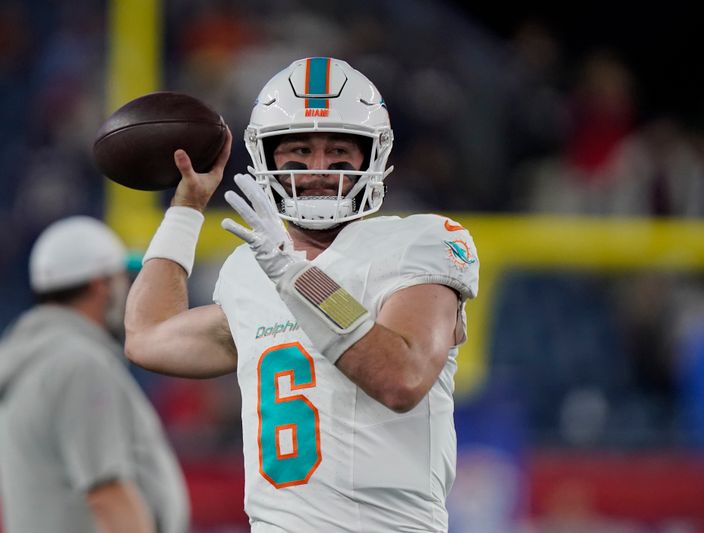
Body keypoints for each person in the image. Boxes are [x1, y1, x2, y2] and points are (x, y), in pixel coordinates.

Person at [126, 57, 479, 532]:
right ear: (266, 158)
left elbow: (402, 377)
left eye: (338, 151)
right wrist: (187, 208)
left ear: (371, 159)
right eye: (299, 151)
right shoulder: (250, 269)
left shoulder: (420, 242)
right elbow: (147, 336)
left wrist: (295, 277)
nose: (317, 168)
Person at [0, 216, 190, 533]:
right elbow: (107, 493)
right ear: (100, 284)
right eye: (121, 278)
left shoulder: (22, 359)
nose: (128, 290)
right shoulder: (79, 363)